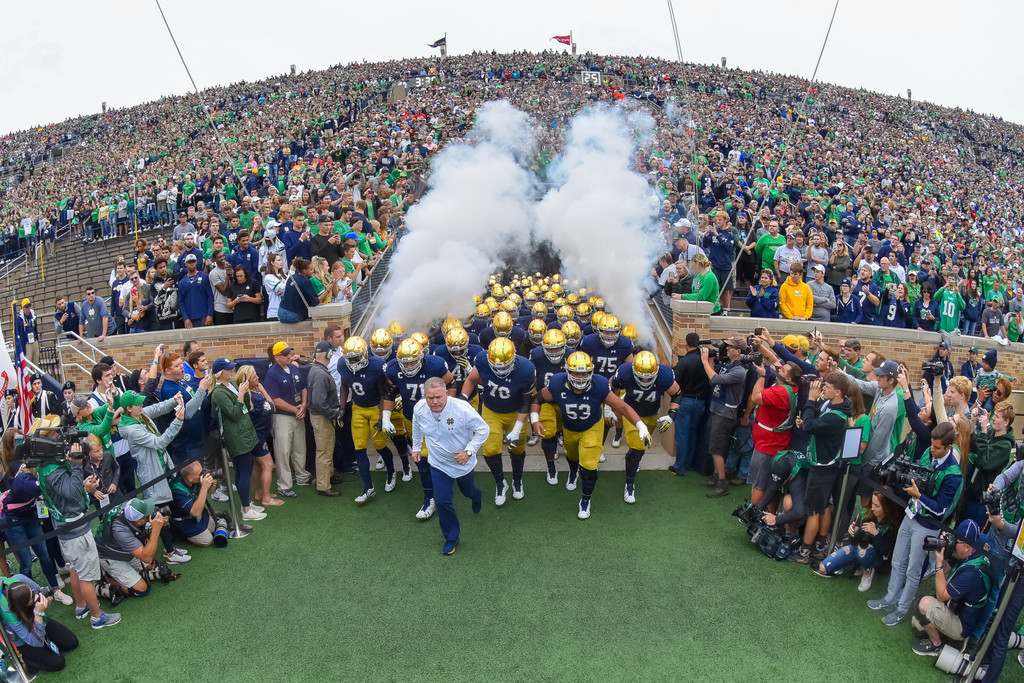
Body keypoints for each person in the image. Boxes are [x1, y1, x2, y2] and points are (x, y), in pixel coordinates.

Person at [530, 351, 650, 520]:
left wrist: (640, 424)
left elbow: (622, 407)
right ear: (568, 372)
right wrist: (535, 420)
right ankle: (573, 472)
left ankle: (585, 500)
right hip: (570, 427)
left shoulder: (599, 385)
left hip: (592, 426)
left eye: (584, 373)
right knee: (572, 456)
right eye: (576, 373)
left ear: (591, 372)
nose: (580, 377)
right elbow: (537, 399)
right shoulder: (558, 382)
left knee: (589, 465)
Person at [868, 421, 964, 626]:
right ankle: (889, 598)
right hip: (911, 516)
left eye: (937, 447)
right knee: (897, 560)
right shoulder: (928, 455)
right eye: (932, 444)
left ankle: (901, 609)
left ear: (948, 448)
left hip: (927, 525)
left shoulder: (954, 476)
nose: (932, 449)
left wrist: (919, 495)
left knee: (913, 570)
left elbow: (941, 509)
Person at [411, 377, 489, 555]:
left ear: (446, 393)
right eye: (430, 398)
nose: (435, 402)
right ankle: (451, 538)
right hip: (438, 464)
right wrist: (416, 447)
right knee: (443, 501)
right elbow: (417, 425)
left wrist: (468, 452)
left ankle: (476, 496)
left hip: (462, 463)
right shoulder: (420, 408)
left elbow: (484, 429)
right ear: (425, 396)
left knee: (468, 491)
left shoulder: (462, 409)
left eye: (438, 397)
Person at [115, 390, 193, 565]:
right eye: (138, 403)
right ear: (129, 408)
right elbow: (159, 443)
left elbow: (157, 408)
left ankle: (170, 547)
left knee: (164, 511)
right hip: (152, 476)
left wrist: (173, 401)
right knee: (160, 514)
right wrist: (177, 422)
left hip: (160, 469)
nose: (142, 405)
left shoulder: (139, 415)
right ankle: (170, 553)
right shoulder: (132, 429)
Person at [382, 338, 454, 520]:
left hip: (438, 418)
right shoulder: (393, 369)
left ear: (422, 357)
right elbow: (389, 393)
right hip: (413, 419)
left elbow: (451, 384)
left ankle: (445, 488)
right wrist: (385, 418)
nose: (409, 365)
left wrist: (448, 408)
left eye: (413, 361)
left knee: (443, 456)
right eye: (405, 362)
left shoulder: (435, 365)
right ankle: (429, 498)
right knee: (422, 460)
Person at [459, 338, 536, 505]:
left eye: (506, 366)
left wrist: (517, 429)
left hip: (516, 412)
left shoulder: (526, 369)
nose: (501, 371)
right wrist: (462, 399)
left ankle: (517, 480)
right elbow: (472, 379)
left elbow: (525, 402)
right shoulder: (482, 360)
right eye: (496, 367)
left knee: (517, 449)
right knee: (490, 449)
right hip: (491, 410)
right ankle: (500, 483)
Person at [789, 372, 852, 564]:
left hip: (822, 469)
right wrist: (809, 422)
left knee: (814, 510)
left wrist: (810, 400)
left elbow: (811, 424)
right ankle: (819, 547)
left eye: (828, 386)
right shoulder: (836, 407)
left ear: (838, 392)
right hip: (826, 466)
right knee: (823, 507)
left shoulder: (836, 416)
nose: (823, 388)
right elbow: (813, 424)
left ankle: (805, 553)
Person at [911, 519, 993, 656]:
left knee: (923, 605)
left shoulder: (972, 574)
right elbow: (946, 569)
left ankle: (936, 644)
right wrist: (945, 553)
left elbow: (941, 595)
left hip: (961, 626)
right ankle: (939, 629)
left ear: (967, 546)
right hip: (957, 609)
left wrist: (938, 562)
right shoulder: (974, 551)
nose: (953, 544)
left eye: (957, 542)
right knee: (918, 620)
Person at [611, 351, 680, 503]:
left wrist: (672, 414)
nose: (645, 379)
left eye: (649, 376)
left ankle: (633, 461)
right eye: (642, 376)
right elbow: (610, 387)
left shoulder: (665, 374)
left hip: (651, 414)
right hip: (631, 413)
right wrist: (611, 407)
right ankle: (629, 484)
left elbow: (677, 393)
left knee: (642, 446)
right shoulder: (625, 372)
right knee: (637, 448)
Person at [209, 358, 269, 519]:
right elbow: (235, 413)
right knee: (244, 472)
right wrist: (241, 394)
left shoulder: (232, 385)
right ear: (220, 373)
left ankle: (246, 504)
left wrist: (247, 391)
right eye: (228, 369)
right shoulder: (219, 392)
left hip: (245, 433)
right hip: (236, 437)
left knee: (243, 470)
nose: (232, 371)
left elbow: (245, 408)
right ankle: (246, 510)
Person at [94, 498, 177, 603]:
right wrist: (156, 529)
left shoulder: (127, 507)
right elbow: (146, 557)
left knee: (152, 566)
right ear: (138, 521)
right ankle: (106, 578)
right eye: (148, 515)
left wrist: (157, 522)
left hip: (123, 550)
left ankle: (124, 574)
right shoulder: (120, 530)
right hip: (110, 557)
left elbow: (140, 529)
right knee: (142, 589)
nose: (152, 513)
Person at [813, 491, 900, 592]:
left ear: (886, 507)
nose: (872, 508)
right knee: (823, 568)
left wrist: (876, 534)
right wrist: (852, 533)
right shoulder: (864, 514)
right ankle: (855, 564)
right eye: (872, 504)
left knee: (863, 552)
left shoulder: (892, 525)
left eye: (877, 506)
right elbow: (853, 542)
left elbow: (885, 552)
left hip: (876, 557)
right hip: (857, 548)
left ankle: (867, 571)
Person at [698, 337, 748, 498]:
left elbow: (716, 379)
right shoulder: (728, 365)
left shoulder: (739, 371)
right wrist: (711, 359)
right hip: (716, 410)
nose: (726, 349)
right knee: (713, 446)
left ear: (738, 351)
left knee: (717, 449)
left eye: (730, 347)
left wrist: (705, 361)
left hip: (725, 414)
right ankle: (715, 476)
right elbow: (713, 379)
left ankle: (722, 483)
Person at [0, 575, 80, 674]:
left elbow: (43, 596)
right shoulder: (7, 612)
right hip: (23, 639)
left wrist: (46, 601)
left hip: (38, 621)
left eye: (32, 592)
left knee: (72, 643)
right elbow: (36, 641)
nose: (34, 596)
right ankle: (26, 660)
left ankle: (48, 647)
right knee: (58, 663)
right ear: (22, 605)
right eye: (31, 597)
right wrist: (38, 613)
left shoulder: (19, 579)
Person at [263, 342, 312, 498]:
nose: (289, 355)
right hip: (282, 417)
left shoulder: (294, 368)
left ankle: (302, 477)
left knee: (299, 447)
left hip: (298, 414)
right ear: (277, 357)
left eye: (289, 353)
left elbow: (303, 388)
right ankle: (284, 485)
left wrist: (304, 405)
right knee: (282, 451)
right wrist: (295, 409)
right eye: (285, 354)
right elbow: (274, 400)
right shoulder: (272, 374)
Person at [304, 343, 346, 499]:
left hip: (321, 417)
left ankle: (329, 475)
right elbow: (318, 402)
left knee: (328, 447)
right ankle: (323, 486)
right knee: (324, 451)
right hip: (322, 418)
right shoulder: (320, 374)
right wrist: (333, 413)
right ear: (328, 354)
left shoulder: (316, 369)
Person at [671, 332, 709, 476]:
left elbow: (676, 384)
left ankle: (679, 467)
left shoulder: (684, 362)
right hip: (701, 403)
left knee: (682, 435)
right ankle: (688, 464)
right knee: (692, 433)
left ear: (686, 343)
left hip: (685, 402)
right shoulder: (704, 361)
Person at [167, 461, 219, 545]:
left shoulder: (194, 479)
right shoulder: (177, 489)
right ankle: (183, 534)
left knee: (213, 528)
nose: (203, 474)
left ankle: (199, 530)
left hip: (199, 514)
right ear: (190, 478)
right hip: (185, 520)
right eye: (200, 473)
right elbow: (195, 512)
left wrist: (212, 485)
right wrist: (204, 488)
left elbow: (211, 492)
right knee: (208, 541)